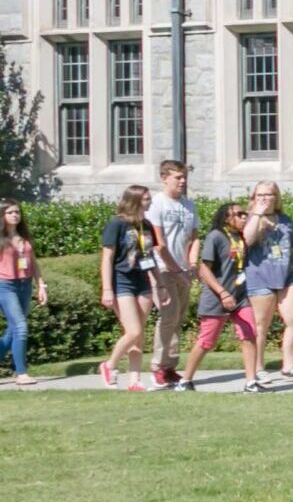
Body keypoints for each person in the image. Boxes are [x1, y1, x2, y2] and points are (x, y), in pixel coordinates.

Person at [180, 201, 255, 390]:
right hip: (217, 297)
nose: (243, 217)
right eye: (239, 214)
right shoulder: (216, 236)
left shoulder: (241, 238)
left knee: (249, 334)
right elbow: (204, 269)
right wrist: (222, 293)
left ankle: (251, 382)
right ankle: (185, 380)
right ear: (226, 218)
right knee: (207, 341)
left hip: (239, 296)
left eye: (244, 213)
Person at [241, 181, 293, 380]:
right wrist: (258, 216)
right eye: (259, 194)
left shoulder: (285, 220)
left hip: (286, 276)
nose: (263, 198)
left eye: (268, 194)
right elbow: (247, 240)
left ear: (276, 197)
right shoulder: (249, 218)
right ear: (253, 198)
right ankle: (258, 368)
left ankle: (289, 365)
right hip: (259, 276)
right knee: (261, 325)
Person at [98, 184, 159, 390]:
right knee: (133, 330)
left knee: (139, 333)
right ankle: (109, 365)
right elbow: (107, 258)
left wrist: (160, 284)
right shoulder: (117, 224)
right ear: (134, 201)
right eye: (146, 199)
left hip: (143, 281)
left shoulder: (147, 225)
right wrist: (107, 288)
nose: (150, 201)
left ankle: (135, 380)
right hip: (121, 281)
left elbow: (151, 256)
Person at [146, 160, 197, 387]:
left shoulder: (189, 205)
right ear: (164, 177)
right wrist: (177, 270)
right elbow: (159, 244)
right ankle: (158, 366)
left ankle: (170, 367)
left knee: (178, 318)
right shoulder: (157, 204)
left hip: (184, 269)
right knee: (168, 316)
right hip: (163, 268)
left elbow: (194, 237)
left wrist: (192, 263)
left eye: (184, 177)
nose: (183, 181)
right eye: (178, 177)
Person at [2, 200, 49, 387]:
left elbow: (33, 263)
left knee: (12, 332)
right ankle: (21, 373)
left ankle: (19, 371)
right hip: (5, 285)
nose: (15, 215)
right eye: (10, 212)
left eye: (17, 212)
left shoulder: (24, 237)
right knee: (20, 327)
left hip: (25, 284)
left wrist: (41, 285)